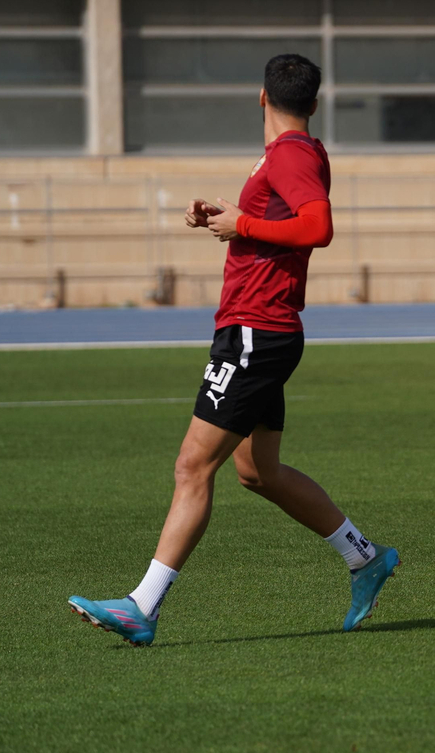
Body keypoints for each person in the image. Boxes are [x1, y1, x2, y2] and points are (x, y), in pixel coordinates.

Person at [68, 54, 398, 645]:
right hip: (264, 329)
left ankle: (143, 607)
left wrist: (242, 224)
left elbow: (317, 227)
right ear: (314, 103)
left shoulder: (291, 153)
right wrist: (224, 216)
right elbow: (279, 219)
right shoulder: (296, 153)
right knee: (256, 470)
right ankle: (364, 557)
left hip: (256, 330)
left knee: (193, 466)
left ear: (261, 98)